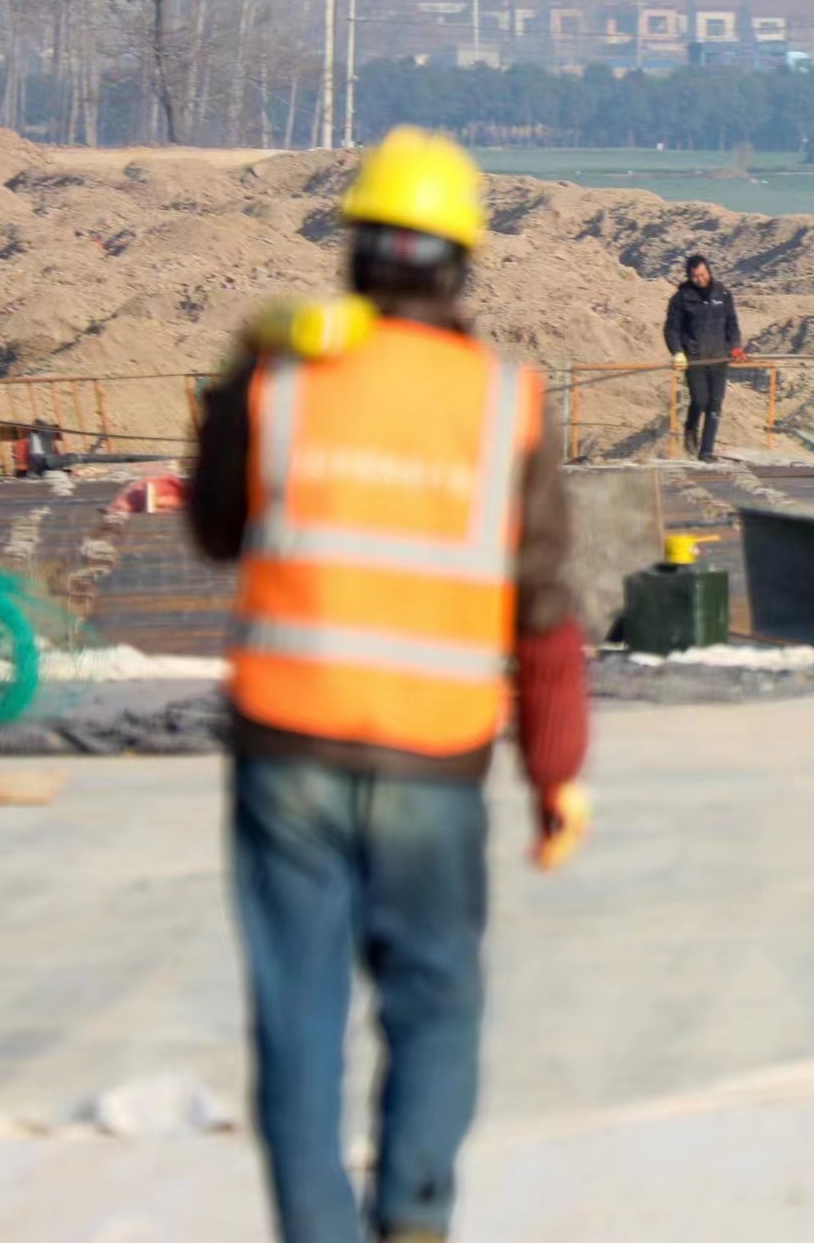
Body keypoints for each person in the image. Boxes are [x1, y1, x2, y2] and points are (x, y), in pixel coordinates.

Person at [189, 125, 591, 1243]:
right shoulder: (506, 400)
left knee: (298, 1012)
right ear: (461, 268)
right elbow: (545, 605)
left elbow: (217, 531)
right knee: (434, 999)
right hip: (432, 754)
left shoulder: (282, 377)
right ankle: (415, 1214)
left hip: (288, 742)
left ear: (354, 252)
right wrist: (559, 771)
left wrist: (237, 373)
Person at [662, 254, 743, 462]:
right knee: (700, 399)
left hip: (719, 358)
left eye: (703, 274)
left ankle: (706, 450)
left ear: (709, 271)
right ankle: (690, 426)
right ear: (689, 277)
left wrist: (735, 347)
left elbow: (732, 323)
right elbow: (671, 329)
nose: (700, 279)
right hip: (695, 358)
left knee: (715, 404)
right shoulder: (681, 299)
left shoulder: (723, 293)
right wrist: (678, 351)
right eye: (695, 276)